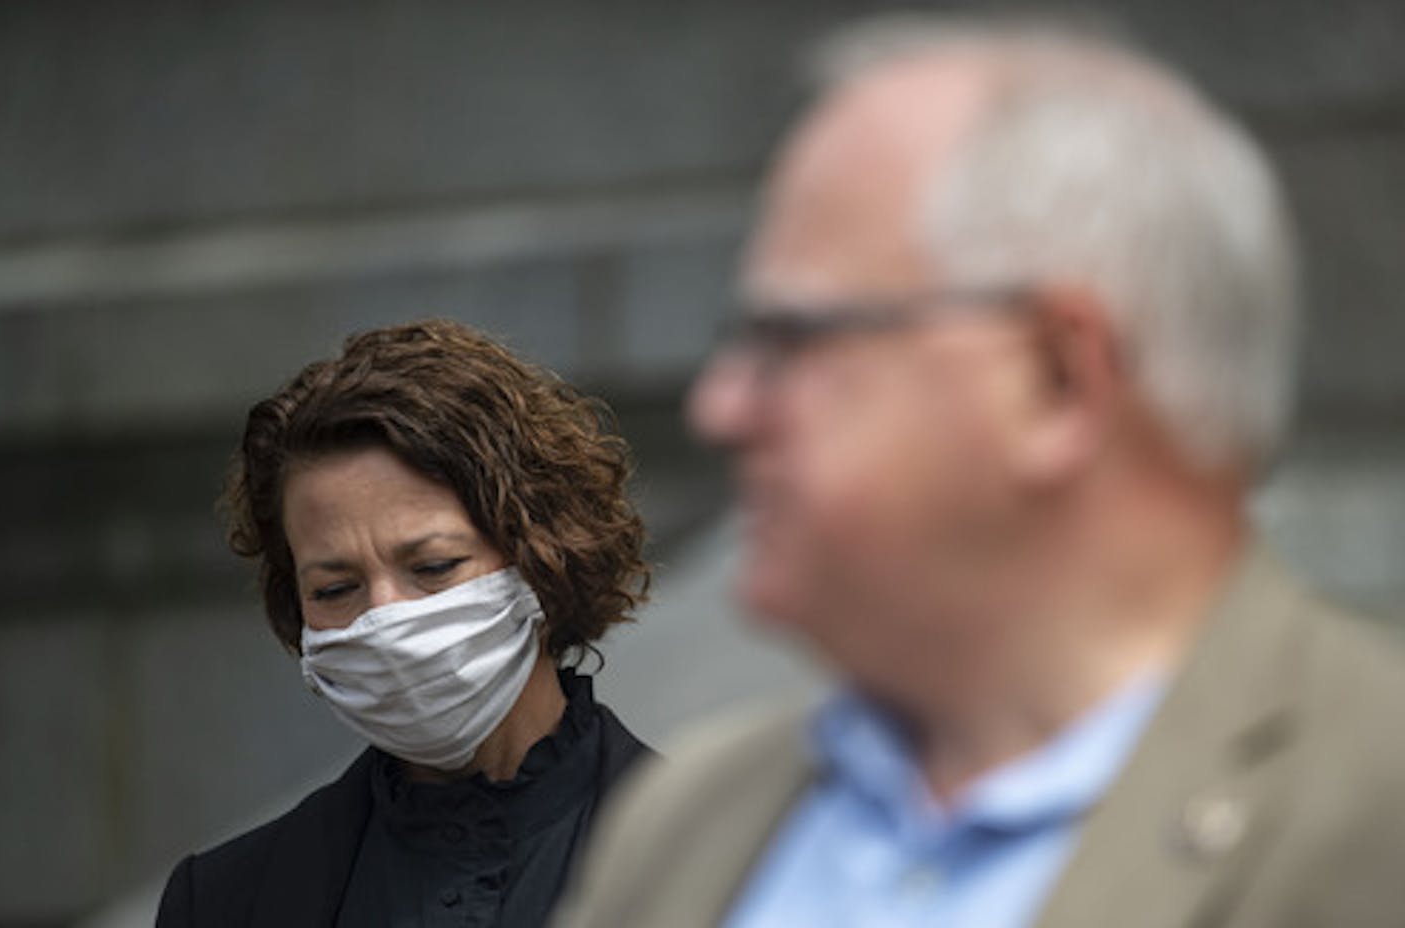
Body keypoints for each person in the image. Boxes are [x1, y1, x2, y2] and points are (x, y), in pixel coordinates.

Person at [557, 15, 1405, 928]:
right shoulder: (682, 826)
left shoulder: (1372, 812)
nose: (718, 409)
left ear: (1056, 380)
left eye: (791, 338)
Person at [157, 319, 652, 927]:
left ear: (542, 558)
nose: (386, 617)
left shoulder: (724, 854)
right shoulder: (224, 903)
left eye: (434, 566)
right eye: (335, 588)